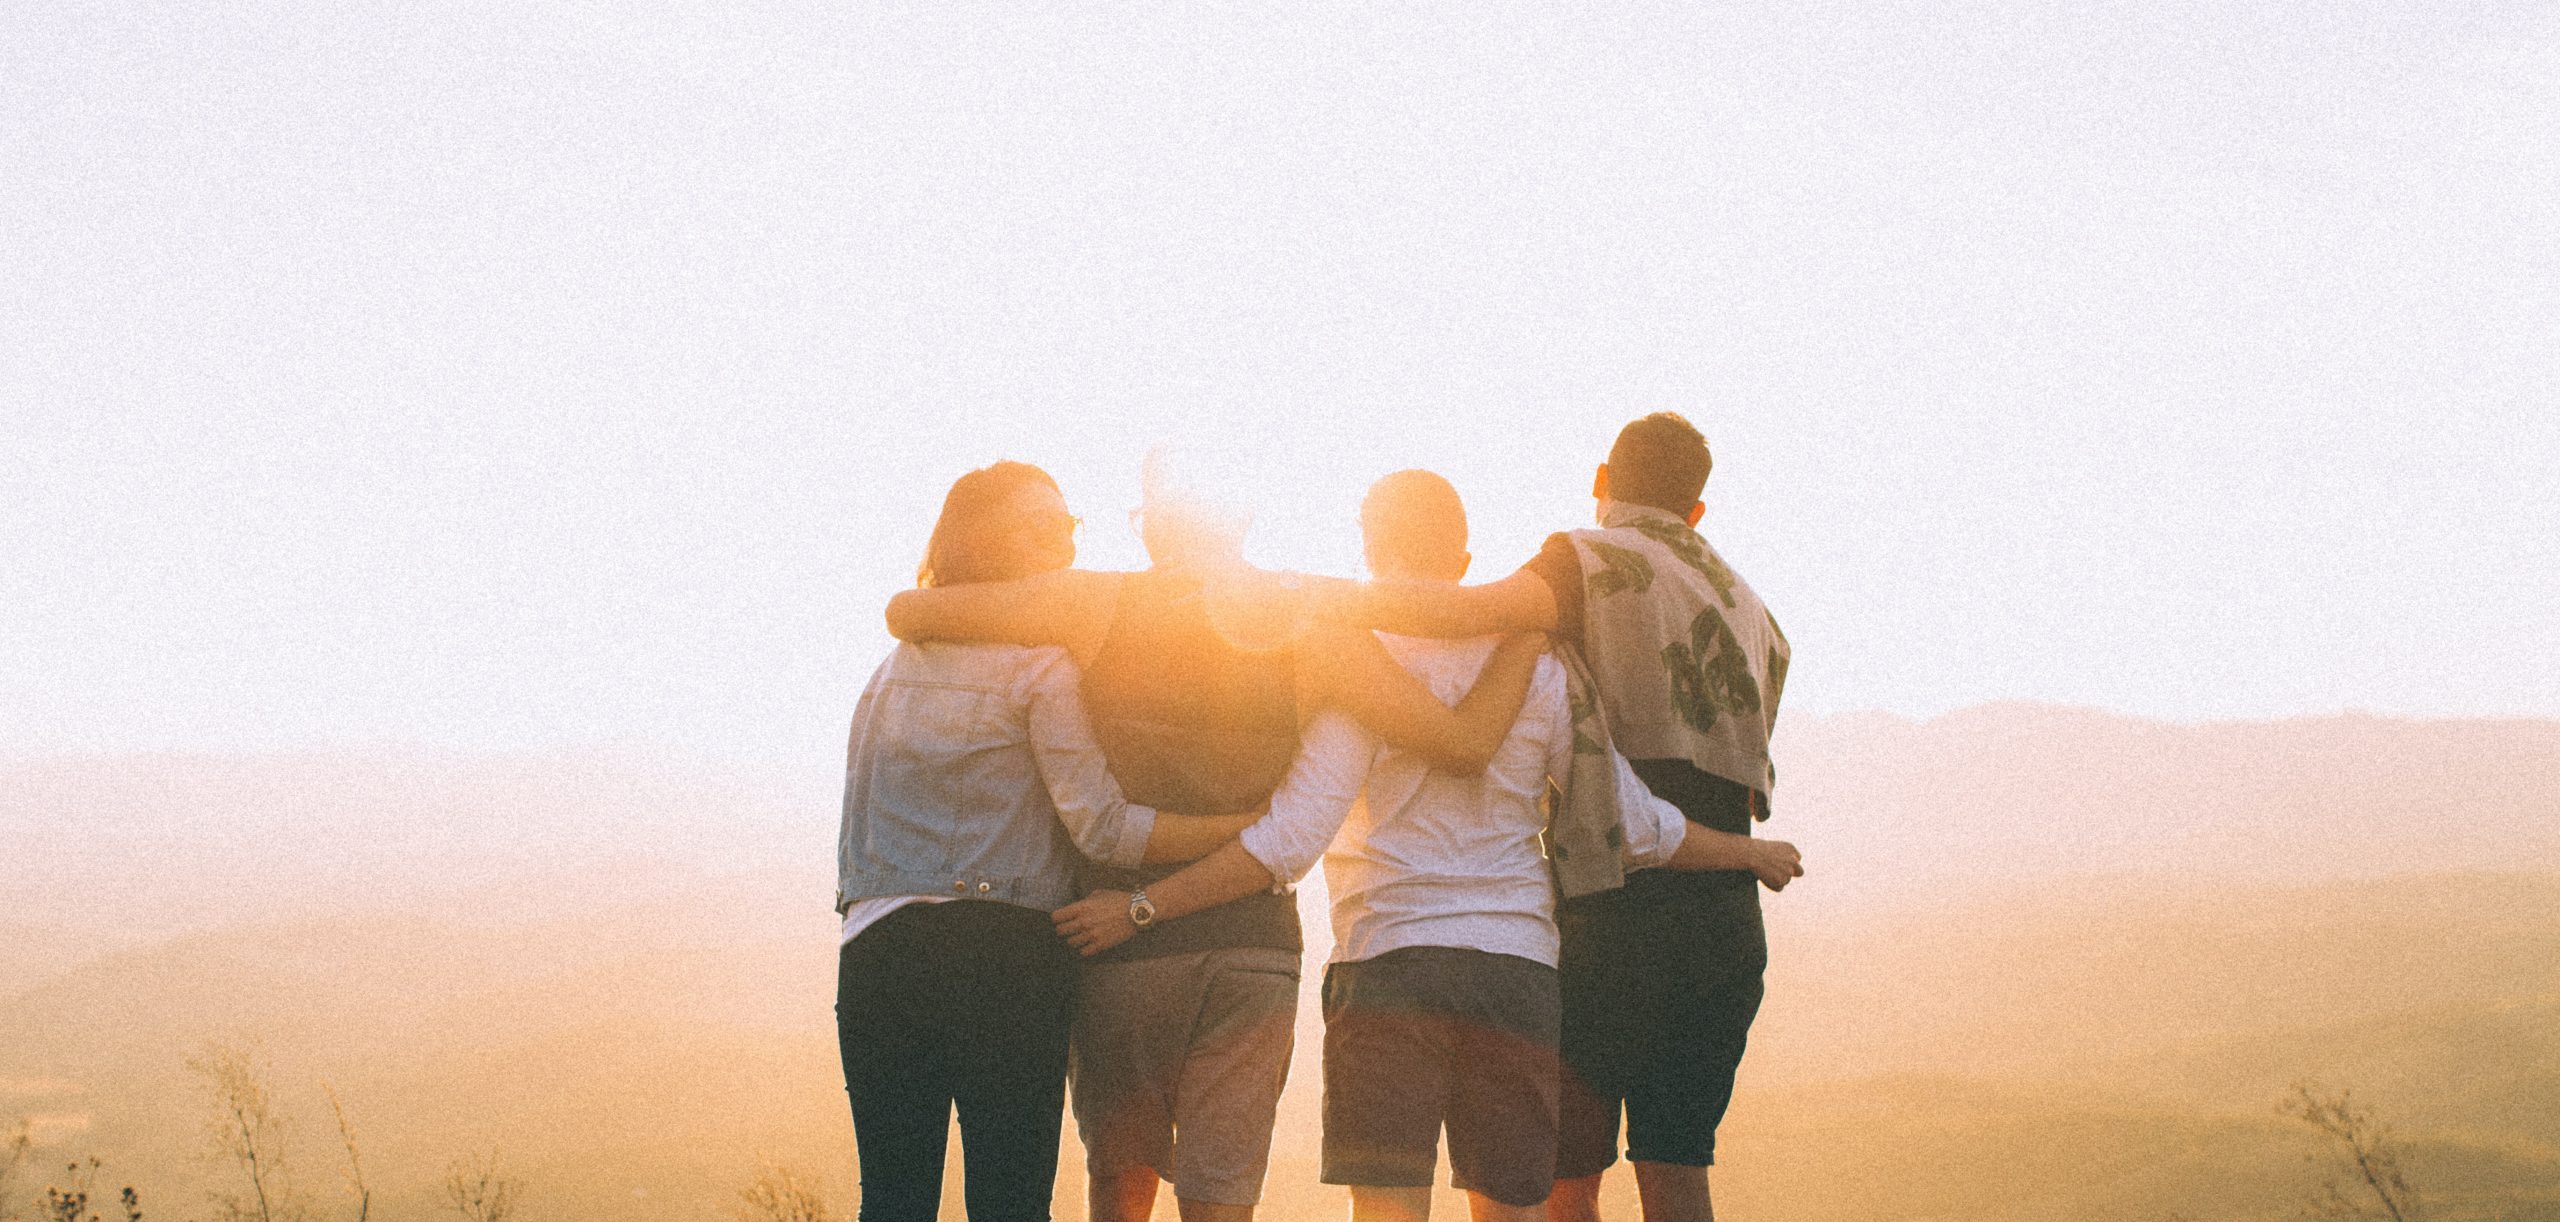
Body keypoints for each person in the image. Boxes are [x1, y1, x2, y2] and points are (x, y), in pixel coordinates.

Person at [1054, 469, 1801, 1222]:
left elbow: (1289, 840)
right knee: (1511, 1211)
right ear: (1466, 563)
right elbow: (1634, 825)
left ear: (1370, 550)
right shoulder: (1542, 667)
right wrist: (1748, 853)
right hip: (1515, 972)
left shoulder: (1360, 670)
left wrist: (1144, 907)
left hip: (1387, 964)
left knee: (1388, 1210)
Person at [882, 452, 1544, 1222]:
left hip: (1119, 947)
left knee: (1118, 1197)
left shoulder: (1091, 605)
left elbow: (910, 613)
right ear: (1244, 517)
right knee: (1222, 1205)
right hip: (1252, 950)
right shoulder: (1314, 622)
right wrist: (1530, 625)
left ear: (1156, 523)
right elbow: (1459, 744)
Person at [1328, 416, 1791, 1222]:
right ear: (1698, 510)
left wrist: (1307, 600)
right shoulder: (1753, 610)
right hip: (1722, 917)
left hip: (1610, 911)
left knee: (1566, 1184)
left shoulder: (1588, 559)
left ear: (1602, 478)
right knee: (1679, 1172)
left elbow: (1469, 613)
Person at [835, 461, 1276, 1222]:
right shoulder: (1043, 667)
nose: (1063, 541)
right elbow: (1103, 826)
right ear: (984, 541)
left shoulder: (888, 672)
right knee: (1009, 1201)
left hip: (876, 953)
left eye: (1066, 522)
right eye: (1039, 524)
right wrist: (1243, 828)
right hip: (1004, 957)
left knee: (892, 1199)